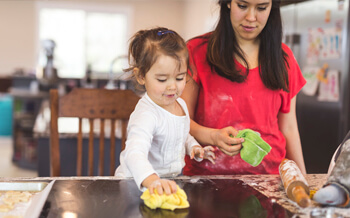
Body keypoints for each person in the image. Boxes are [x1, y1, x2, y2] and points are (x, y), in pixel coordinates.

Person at [181, 0, 307, 176]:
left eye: (261, 8)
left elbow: (289, 128)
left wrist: (303, 177)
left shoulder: (284, 58)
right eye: (242, 6)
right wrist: (213, 137)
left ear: (272, 8)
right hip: (206, 178)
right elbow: (180, 121)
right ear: (228, 4)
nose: (251, 17)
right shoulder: (196, 51)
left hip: (269, 179)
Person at [115, 27, 216, 195]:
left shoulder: (180, 105)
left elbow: (181, 133)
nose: (172, 86)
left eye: (179, 78)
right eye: (162, 79)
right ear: (141, 76)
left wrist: (194, 147)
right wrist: (152, 180)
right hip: (135, 186)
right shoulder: (146, 114)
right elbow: (134, 153)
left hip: (167, 183)